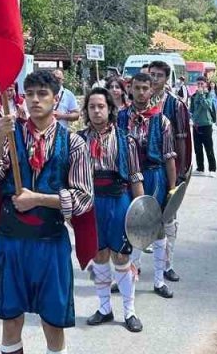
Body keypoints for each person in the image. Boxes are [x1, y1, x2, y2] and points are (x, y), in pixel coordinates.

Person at [0, 68, 94, 354]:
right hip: (11, 240)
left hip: (50, 241)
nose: (35, 100)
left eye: (42, 94)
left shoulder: (74, 143)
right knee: (10, 318)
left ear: (56, 99)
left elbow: (83, 198)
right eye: (29, 94)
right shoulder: (10, 135)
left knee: (53, 322)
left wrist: (39, 199)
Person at [79, 87, 144, 333]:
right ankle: (105, 308)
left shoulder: (126, 139)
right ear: (86, 111)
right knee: (99, 255)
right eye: (92, 107)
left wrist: (142, 213)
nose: (96, 111)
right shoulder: (79, 140)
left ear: (110, 109)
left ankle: (130, 311)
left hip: (119, 201)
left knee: (122, 257)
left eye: (101, 106)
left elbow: (136, 177)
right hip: (92, 204)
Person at [121, 72, 179, 298]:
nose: (141, 92)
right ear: (131, 89)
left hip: (155, 176)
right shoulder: (121, 117)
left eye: (146, 88)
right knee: (131, 227)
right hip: (128, 177)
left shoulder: (161, 120)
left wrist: (172, 188)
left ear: (152, 90)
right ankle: (128, 277)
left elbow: (169, 156)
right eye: (137, 88)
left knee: (157, 227)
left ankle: (158, 280)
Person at [147, 60, 191, 284]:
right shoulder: (139, 102)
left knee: (167, 218)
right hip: (143, 171)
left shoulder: (175, 105)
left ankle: (167, 265)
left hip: (168, 170)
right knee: (139, 218)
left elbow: (182, 139)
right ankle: (128, 269)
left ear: (167, 79)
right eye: (151, 74)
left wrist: (180, 174)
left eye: (159, 75)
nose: (154, 79)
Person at [189, 80, 217, 176]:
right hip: (196, 125)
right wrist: (191, 118)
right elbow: (191, 109)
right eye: (198, 84)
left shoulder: (209, 95)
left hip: (206, 124)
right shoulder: (194, 96)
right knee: (198, 148)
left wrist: (202, 95)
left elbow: (206, 105)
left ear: (206, 84)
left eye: (202, 84)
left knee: (208, 147)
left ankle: (212, 169)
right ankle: (200, 168)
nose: (200, 85)